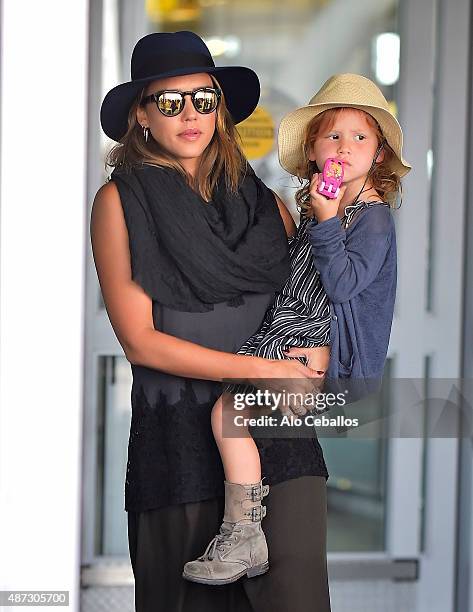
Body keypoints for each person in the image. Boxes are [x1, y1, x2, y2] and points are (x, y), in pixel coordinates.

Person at [91, 31, 332, 612]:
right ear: (142, 117)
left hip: (275, 434)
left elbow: (304, 301)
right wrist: (263, 367)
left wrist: (314, 359)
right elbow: (143, 343)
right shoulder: (118, 202)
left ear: (220, 111)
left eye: (203, 99)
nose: (190, 115)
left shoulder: (265, 201)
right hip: (177, 441)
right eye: (169, 102)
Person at [182, 73, 411, 585]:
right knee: (226, 403)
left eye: (360, 139)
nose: (344, 148)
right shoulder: (321, 208)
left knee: (228, 412)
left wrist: (329, 221)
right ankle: (247, 524)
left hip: (320, 354)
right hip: (289, 336)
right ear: (312, 151)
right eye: (332, 136)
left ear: (378, 156)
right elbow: (296, 272)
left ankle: (244, 534)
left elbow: (345, 283)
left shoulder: (373, 220)